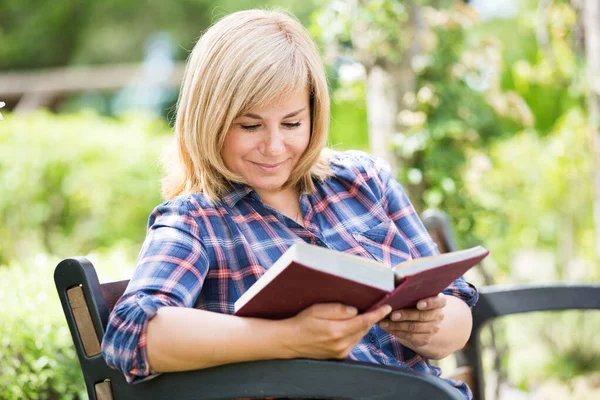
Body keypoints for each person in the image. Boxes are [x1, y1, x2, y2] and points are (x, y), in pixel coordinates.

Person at [101, 9, 478, 400]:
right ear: (209, 120)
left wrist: (432, 325)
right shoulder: (197, 220)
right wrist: (290, 339)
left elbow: (457, 310)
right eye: (250, 126)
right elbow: (132, 334)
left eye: (293, 123)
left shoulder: (365, 182)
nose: (275, 146)